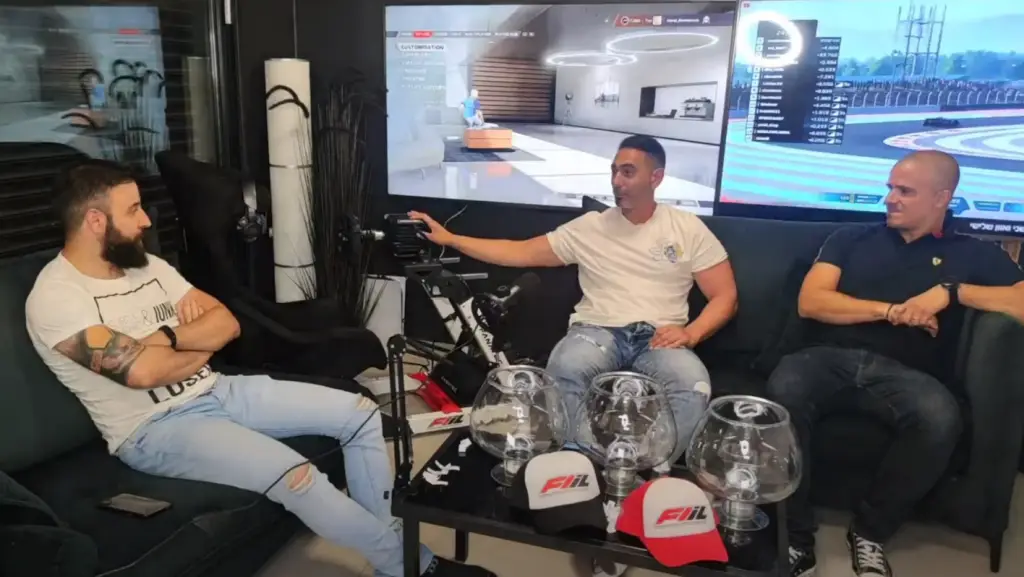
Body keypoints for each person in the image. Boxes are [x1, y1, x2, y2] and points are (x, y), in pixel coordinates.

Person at [25, 159, 494, 577]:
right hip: (153, 428)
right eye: (133, 210)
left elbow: (226, 323)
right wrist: (190, 343)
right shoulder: (58, 298)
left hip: (216, 389)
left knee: (361, 413)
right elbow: (143, 375)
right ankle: (417, 567)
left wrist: (166, 339)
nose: (146, 220)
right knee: (296, 475)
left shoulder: (145, 266)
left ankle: (394, 561)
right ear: (95, 220)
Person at [410, 135, 738, 470]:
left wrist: (691, 333)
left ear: (656, 178)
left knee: (693, 384)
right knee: (565, 369)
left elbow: (725, 295)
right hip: (597, 331)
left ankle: (647, 468)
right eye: (614, 171)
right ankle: (580, 463)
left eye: (628, 172)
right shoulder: (590, 227)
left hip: (660, 337)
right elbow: (520, 251)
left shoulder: (686, 228)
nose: (617, 181)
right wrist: (451, 239)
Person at [767, 150, 1024, 577]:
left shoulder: (973, 253)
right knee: (784, 391)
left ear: (941, 198)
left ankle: (870, 531)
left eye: (905, 191)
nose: (890, 199)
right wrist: (892, 312)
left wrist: (952, 292)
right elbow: (811, 301)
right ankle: (795, 536)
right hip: (827, 357)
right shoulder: (850, 238)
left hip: (908, 372)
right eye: (890, 188)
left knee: (940, 418)